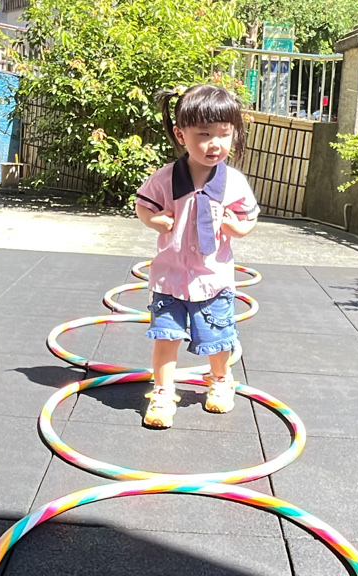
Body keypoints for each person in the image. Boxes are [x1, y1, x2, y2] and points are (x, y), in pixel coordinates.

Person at [134, 84, 259, 429]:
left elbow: (249, 216)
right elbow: (143, 205)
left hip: (212, 281)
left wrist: (238, 228)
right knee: (165, 337)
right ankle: (162, 391)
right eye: (204, 134)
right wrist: (155, 220)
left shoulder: (233, 182)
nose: (215, 143)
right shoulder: (165, 178)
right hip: (169, 279)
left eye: (224, 134)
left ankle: (220, 379)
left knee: (216, 339)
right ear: (181, 134)